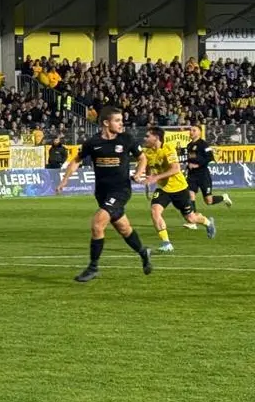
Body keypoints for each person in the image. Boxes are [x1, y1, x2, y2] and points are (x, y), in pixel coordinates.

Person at [57, 106, 152, 283]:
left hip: (121, 191)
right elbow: (76, 160)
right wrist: (65, 180)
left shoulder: (126, 139)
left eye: (121, 121)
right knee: (124, 228)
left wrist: (139, 173)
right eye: (117, 121)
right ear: (106, 123)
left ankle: (93, 267)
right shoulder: (93, 143)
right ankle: (143, 252)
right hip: (102, 192)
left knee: (97, 224)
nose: (121, 124)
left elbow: (142, 158)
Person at [140, 126, 215, 252]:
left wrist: (155, 177)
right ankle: (166, 244)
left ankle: (207, 222)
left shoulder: (168, 148)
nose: (145, 138)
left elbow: (175, 169)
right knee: (155, 211)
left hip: (179, 188)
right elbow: (148, 167)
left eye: (148, 136)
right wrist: (148, 180)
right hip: (163, 189)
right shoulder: (147, 152)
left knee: (191, 218)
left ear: (156, 138)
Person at [183, 124, 232, 219]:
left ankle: (224, 197)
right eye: (190, 130)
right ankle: (193, 220)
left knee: (208, 201)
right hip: (192, 175)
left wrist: (197, 165)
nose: (191, 132)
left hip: (203, 175)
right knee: (190, 195)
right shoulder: (189, 145)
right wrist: (188, 166)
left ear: (199, 133)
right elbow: (191, 159)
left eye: (194, 130)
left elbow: (210, 157)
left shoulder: (203, 144)